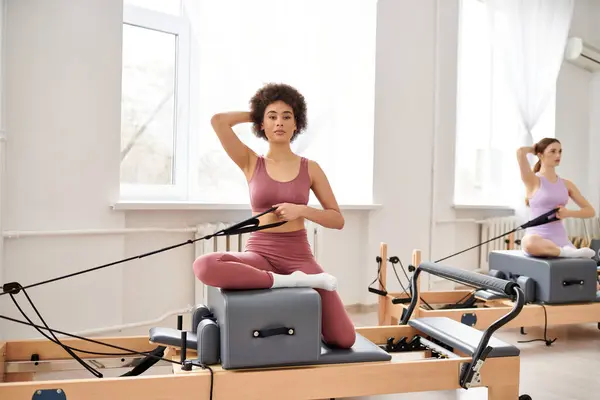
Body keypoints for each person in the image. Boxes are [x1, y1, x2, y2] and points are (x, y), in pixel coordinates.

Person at [192, 83, 356, 349]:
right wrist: (256, 112)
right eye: (272, 116)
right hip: (260, 255)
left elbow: (337, 220)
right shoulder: (250, 162)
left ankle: (298, 290)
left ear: (296, 124)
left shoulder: (310, 168)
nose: (279, 122)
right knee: (204, 265)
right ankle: (287, 283)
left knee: (344, 338)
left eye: (286, 116)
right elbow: (218, 121)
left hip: (299, 257)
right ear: (262, 124)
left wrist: (301, 209)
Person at [517, 137, 596, 258]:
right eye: (552, 151)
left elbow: (590, 211)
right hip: (537, 239)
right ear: (540, 155)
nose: (558, 155)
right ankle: (564, 252)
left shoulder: (567, 184)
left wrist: (568, 213)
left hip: (560, 239)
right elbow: (520, 152)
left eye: (560, 151)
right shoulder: (533, 180)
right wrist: (533, 149)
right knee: (528, 243)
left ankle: (564, 251)